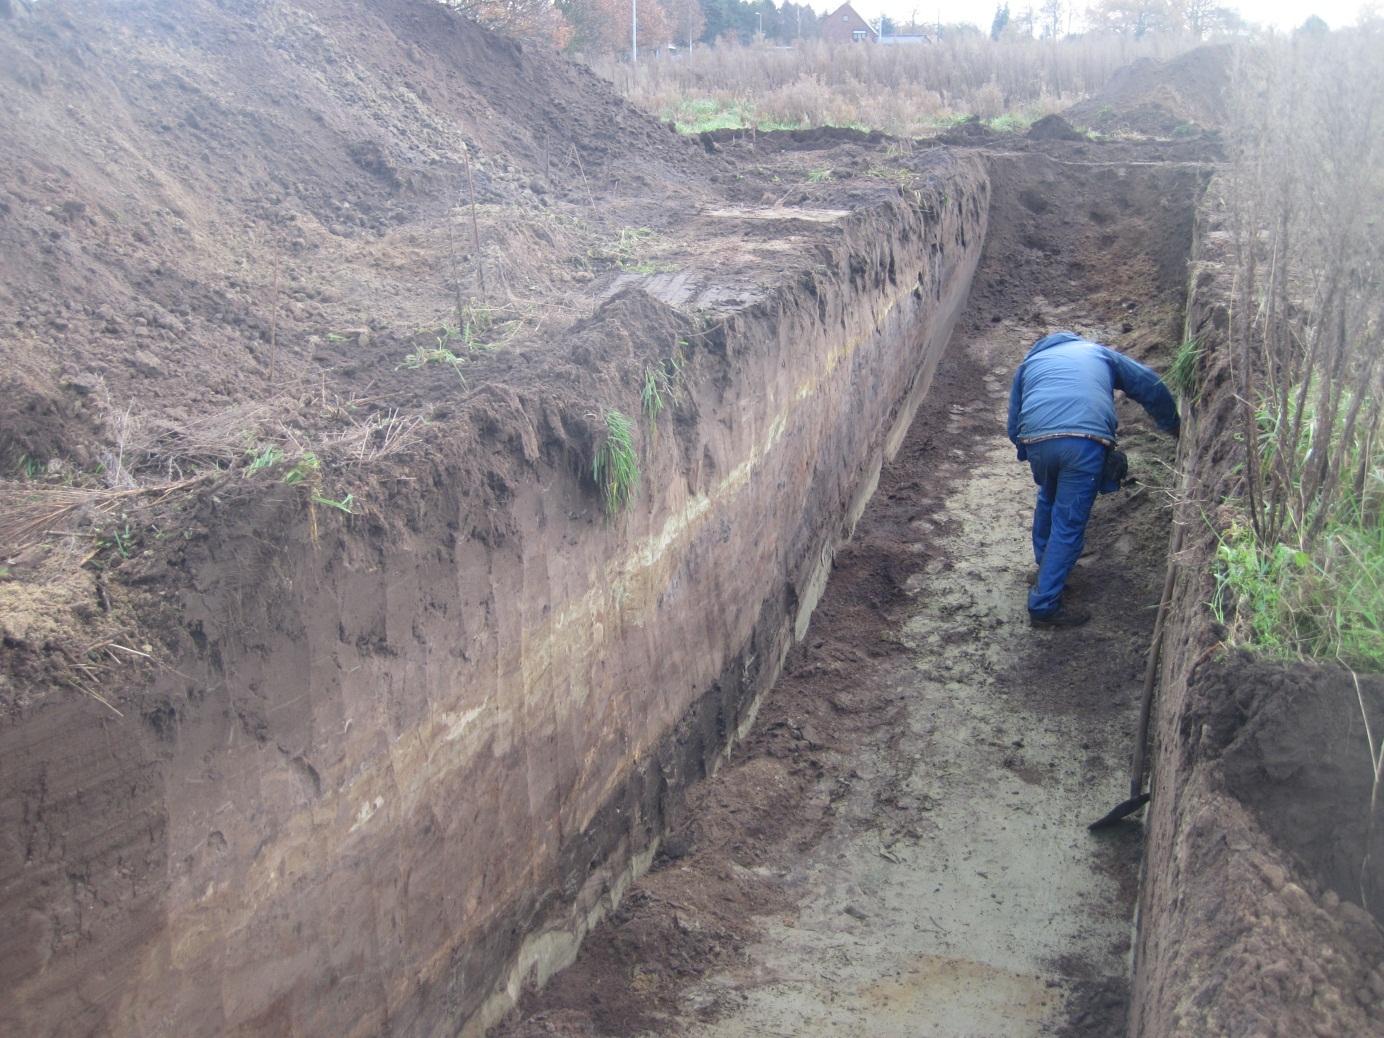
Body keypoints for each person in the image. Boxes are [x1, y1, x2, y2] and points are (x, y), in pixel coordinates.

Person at [1006, 331, 1180, 629]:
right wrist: (1174, 426)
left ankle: (1046, 567)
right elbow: (1148, 384)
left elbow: (1013, 422)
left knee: (1049, 493)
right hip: (1084, 441)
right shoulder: (1098, 353)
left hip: (1038, 440)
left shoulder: (1030, 363)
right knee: (1069, 523)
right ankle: (1044, 606)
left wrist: (1030, 451)